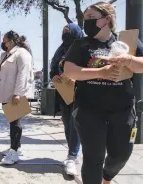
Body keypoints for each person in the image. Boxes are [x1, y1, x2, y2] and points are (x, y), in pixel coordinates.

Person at [63, 2, 143, 184]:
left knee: (121, 154)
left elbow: (142, 64)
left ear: (107, 19)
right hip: (89, 110)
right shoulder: (81, 44)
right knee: (93, 157)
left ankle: (106, 177)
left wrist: (129, 60)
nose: (87, 22)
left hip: (122, 109)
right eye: (85, 18)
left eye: (91, 18)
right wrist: (102, 73)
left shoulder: (126, 42)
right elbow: (69, 70)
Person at [50, 23, 84, 176]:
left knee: (75, 124)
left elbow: (91, 69)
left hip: (81, 93)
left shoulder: (85, 47)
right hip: (64, 93)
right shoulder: (61, 49)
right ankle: (73, 154)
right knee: (67, 123)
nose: (67, 42)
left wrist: (78, 79)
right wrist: (54, 77)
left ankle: (72, 156)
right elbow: (53, 68)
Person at [0, 30, 33, 165]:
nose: (3, 43)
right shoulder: (6, 55)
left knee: (15, 123)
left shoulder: (22, 54)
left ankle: (15, 151)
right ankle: (16, 147)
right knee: (12, 122)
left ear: (11, 41)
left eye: (4, 40)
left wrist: (18, 93)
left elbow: (23, 75)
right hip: (6, 94)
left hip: (15, 95)